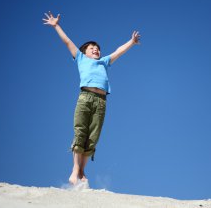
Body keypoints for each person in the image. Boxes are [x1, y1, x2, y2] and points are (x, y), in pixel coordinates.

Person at [43, 11, 141, 184]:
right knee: (80, 131)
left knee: (93, 137)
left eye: (98, 48)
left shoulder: (104, 61)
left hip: (101, 102)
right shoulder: (80, 58)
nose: (96, 49)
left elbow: (119, 51)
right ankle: (75, 171)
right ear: (84, 52)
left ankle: (82, 171)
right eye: (92, 48)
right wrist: (56, 25)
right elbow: (67, 42)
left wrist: (132, 42)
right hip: (85, 97)